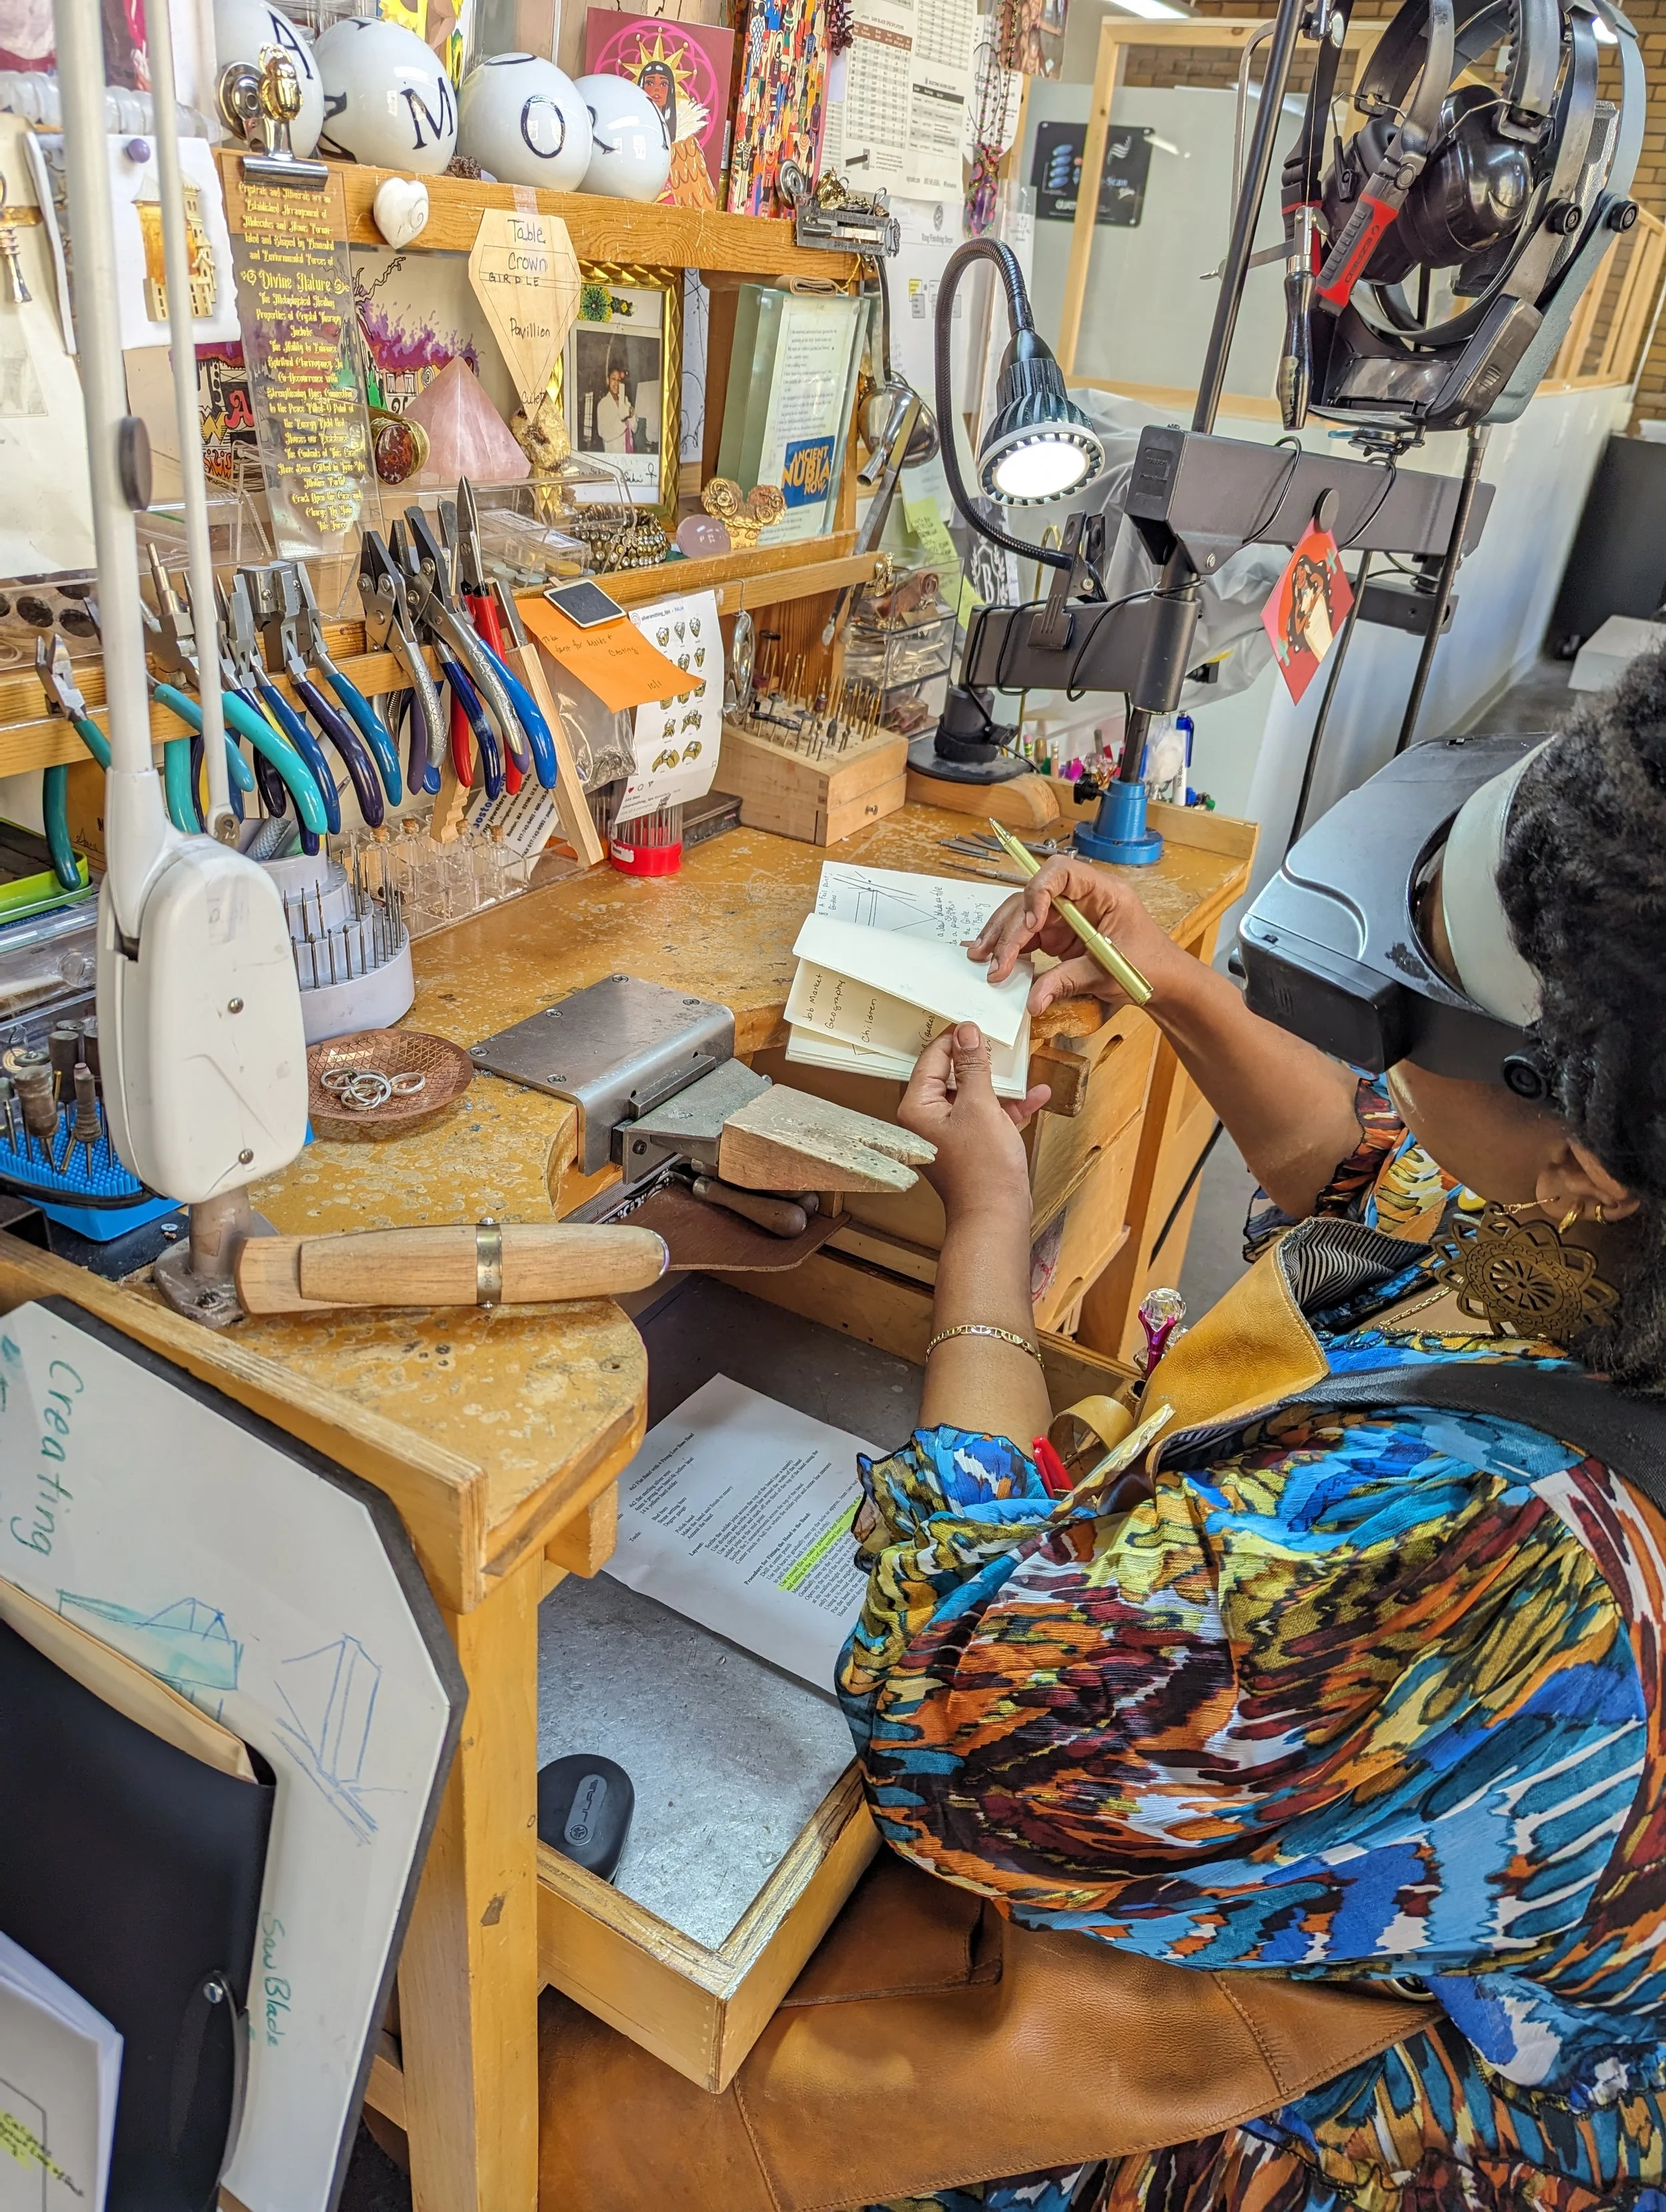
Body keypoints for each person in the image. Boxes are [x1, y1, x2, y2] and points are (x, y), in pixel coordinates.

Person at [836, 654, 1666, 2211]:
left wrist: (985, 1236)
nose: (1381, 1044)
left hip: (1385, 2125)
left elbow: (947, 1684)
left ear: (1582, 1156)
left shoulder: (1498, 1547)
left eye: (1412, 1003)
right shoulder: (1617, 1252)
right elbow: (1397, 1199)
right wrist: (1182, 987)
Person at [596, 364, 634, 454]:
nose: (616, 383)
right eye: (613, 379)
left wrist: (632, 415)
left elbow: (634, 428)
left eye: (619, 380)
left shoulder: (625, 400)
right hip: (615, 454)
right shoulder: (603, 404)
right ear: (608, 380)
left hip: (630, 452)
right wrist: (622, 419)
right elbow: (604, 434)